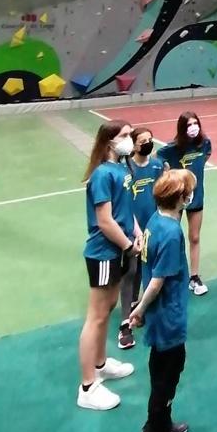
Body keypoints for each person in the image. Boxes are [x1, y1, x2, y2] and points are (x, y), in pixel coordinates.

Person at [128, 169, 198, 432]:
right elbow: (157, 281)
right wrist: (139, 310)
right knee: (167, 378)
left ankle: (153, 427)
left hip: (159, 316)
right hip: (168, 316)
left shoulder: (155, 222)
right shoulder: (171, 234)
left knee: (159, 370)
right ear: (181, 198)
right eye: (187, 192)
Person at [77, 121, 139, 411]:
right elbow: (104, 220)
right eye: (125, 135)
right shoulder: (102, 174)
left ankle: (100, 364)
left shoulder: (123, 169)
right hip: (104, 253)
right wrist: (128, 246)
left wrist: (136, 232)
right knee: (97, 316)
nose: (130, 139)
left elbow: (126, 210)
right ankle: (87, 387)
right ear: (109, 141)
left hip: (120, 250)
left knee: (110, 307)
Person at [118, 127, 164, 349]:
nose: (147, 143)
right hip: (132, 231)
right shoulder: (127, 169)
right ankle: (125, 322)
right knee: (132, 272)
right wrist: (134, 231)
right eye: (143, 141)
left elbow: (163, 194)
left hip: (153, 227)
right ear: (134, 145)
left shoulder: (156, 165)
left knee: (152, 270)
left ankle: (144, 309)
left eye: (150, 140)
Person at [158, 112, 212, 296]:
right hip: (176, 198)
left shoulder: (204, 143)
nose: (193, 127)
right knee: (173, 237)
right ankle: (172, 275)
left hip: (196, 197)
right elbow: (159, 156)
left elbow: (205, 156)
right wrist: (167, 170)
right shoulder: (172, 148)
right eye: (189, 125)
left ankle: (194, 277)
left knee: (194, 237)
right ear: (182, 128)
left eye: (196, 123)